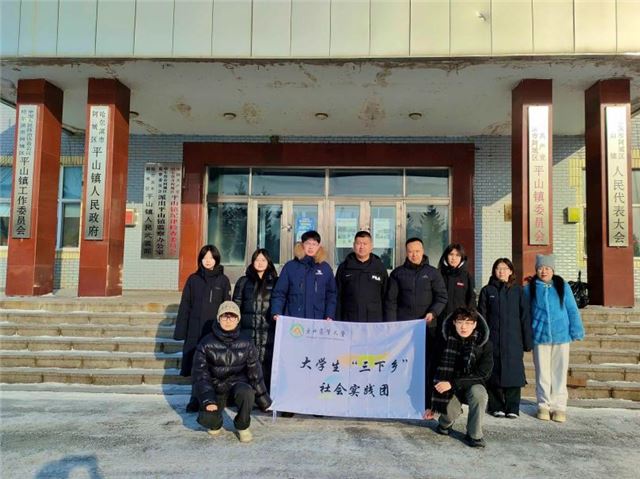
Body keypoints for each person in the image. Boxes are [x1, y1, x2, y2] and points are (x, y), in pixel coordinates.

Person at [192, 301, 272, 443]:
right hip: (215, 387)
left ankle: (242, 426)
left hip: (237, 385)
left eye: (232, 316)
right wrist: (208, 400)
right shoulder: (206, 343)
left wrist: (264, 400)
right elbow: (200, 376)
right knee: (210, 420)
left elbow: (255, 374)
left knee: (247, 393)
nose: (228, 320)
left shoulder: (247, 342)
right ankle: (216, 422)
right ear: (218, 318)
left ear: (238, 319)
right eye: (225, 316)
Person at [386, 237, 447, 408]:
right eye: (411, 251)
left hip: (428, 328)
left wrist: (433, 312)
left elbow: (442, 297)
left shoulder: (433, 273)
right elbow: (391, 301)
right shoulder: (397, 274)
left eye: (417, 251)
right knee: (404, 364)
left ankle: (425, 402)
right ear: (406, 253)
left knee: (426, 366)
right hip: (404, 330)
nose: (414, 255)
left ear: (423, 251)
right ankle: (401, 401)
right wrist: (392, 325)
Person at [423, 307, 493, 448]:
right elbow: (431, 371)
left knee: (479, 394)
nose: (463, 327)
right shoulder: (443, 341)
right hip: (447, 388)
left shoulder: (484, 344)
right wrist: (429, 405)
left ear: (474, 324)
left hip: (470, 385)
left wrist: (453, 383)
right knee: (450, 413)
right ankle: (445, 423)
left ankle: (474, 435)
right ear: (454, 322)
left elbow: (483, 374)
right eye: (460, 322)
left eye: (468, 323)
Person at [526, 254, 584, 423]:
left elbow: (572, 309)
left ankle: (559, 407)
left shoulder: (562, 286)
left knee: (559, 372)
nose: (543, 271)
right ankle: (543, 405)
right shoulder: (530, 288)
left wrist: (576, 330)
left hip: (561, 336)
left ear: (552, 270)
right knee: (542, 373)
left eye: (547, 268)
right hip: (540, 336)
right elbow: (525, 313)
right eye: (540, 268)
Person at [174, 245, 231, 413]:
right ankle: (194, 397)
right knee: (196, 365)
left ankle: (213, 398)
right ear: (200, 260)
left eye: (211, 257)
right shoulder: (193, 279)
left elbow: (227, 307)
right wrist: (181, 331)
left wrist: (227, 330)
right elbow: (185, 306)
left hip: (214, 331)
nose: (208, 261)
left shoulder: (223, 280)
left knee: (214, 364)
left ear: (216, 259)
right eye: (205, 257)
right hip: (195, 329)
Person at [478, 258, 532, 419]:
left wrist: (527, 341)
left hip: (513, 339)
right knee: (493, 372)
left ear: (510, 271)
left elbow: (525, 317)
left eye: (504, 268)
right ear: (494, 271)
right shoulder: (487, 291)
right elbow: (481, 317)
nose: (501, 271)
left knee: (514, 373)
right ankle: (496, 406)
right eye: (498, 268)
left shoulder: (518, 291)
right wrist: (482, 340)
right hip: (493, 339)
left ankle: (512, 407)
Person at [233, 248, 278, 389]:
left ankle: (265, 395)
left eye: (263, 260)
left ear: (268, 262)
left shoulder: (276, 282)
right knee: (248, 366)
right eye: (257, 260)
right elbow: (236, 307)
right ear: (252, 262)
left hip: (268, 332)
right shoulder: (243, 282)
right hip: (247, 332)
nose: (260, 263)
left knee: (267, 366)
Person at [271, 230, 337, 321]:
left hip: (318, 319)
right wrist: (276, 311)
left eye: (314, 244)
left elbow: (331, 294)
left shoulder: (325, 268)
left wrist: (329, 314)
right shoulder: (290, 267)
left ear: (318, 246)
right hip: (294, 319)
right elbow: (280, 292)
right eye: (308, 243)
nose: (311, 247)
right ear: (302, 245)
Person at [335, 230, 388, 322]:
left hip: (373, 320)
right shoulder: (344, 267)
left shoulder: (379, 267)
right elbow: (338, 295)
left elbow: (386, 296)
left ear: (371, 246)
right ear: (353, 245)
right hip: (350, 319)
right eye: (358, 243)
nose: (361, 247)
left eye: (365, 244)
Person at [438, 243, 476, 318]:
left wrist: (469, 316)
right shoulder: (438, 274)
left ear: (462, 258)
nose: (453, 258)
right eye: (451, 254)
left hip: (460, 319)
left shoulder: (466, 276)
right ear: (446, 256)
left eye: (457, 255)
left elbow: (471, 298)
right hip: (440, 318)